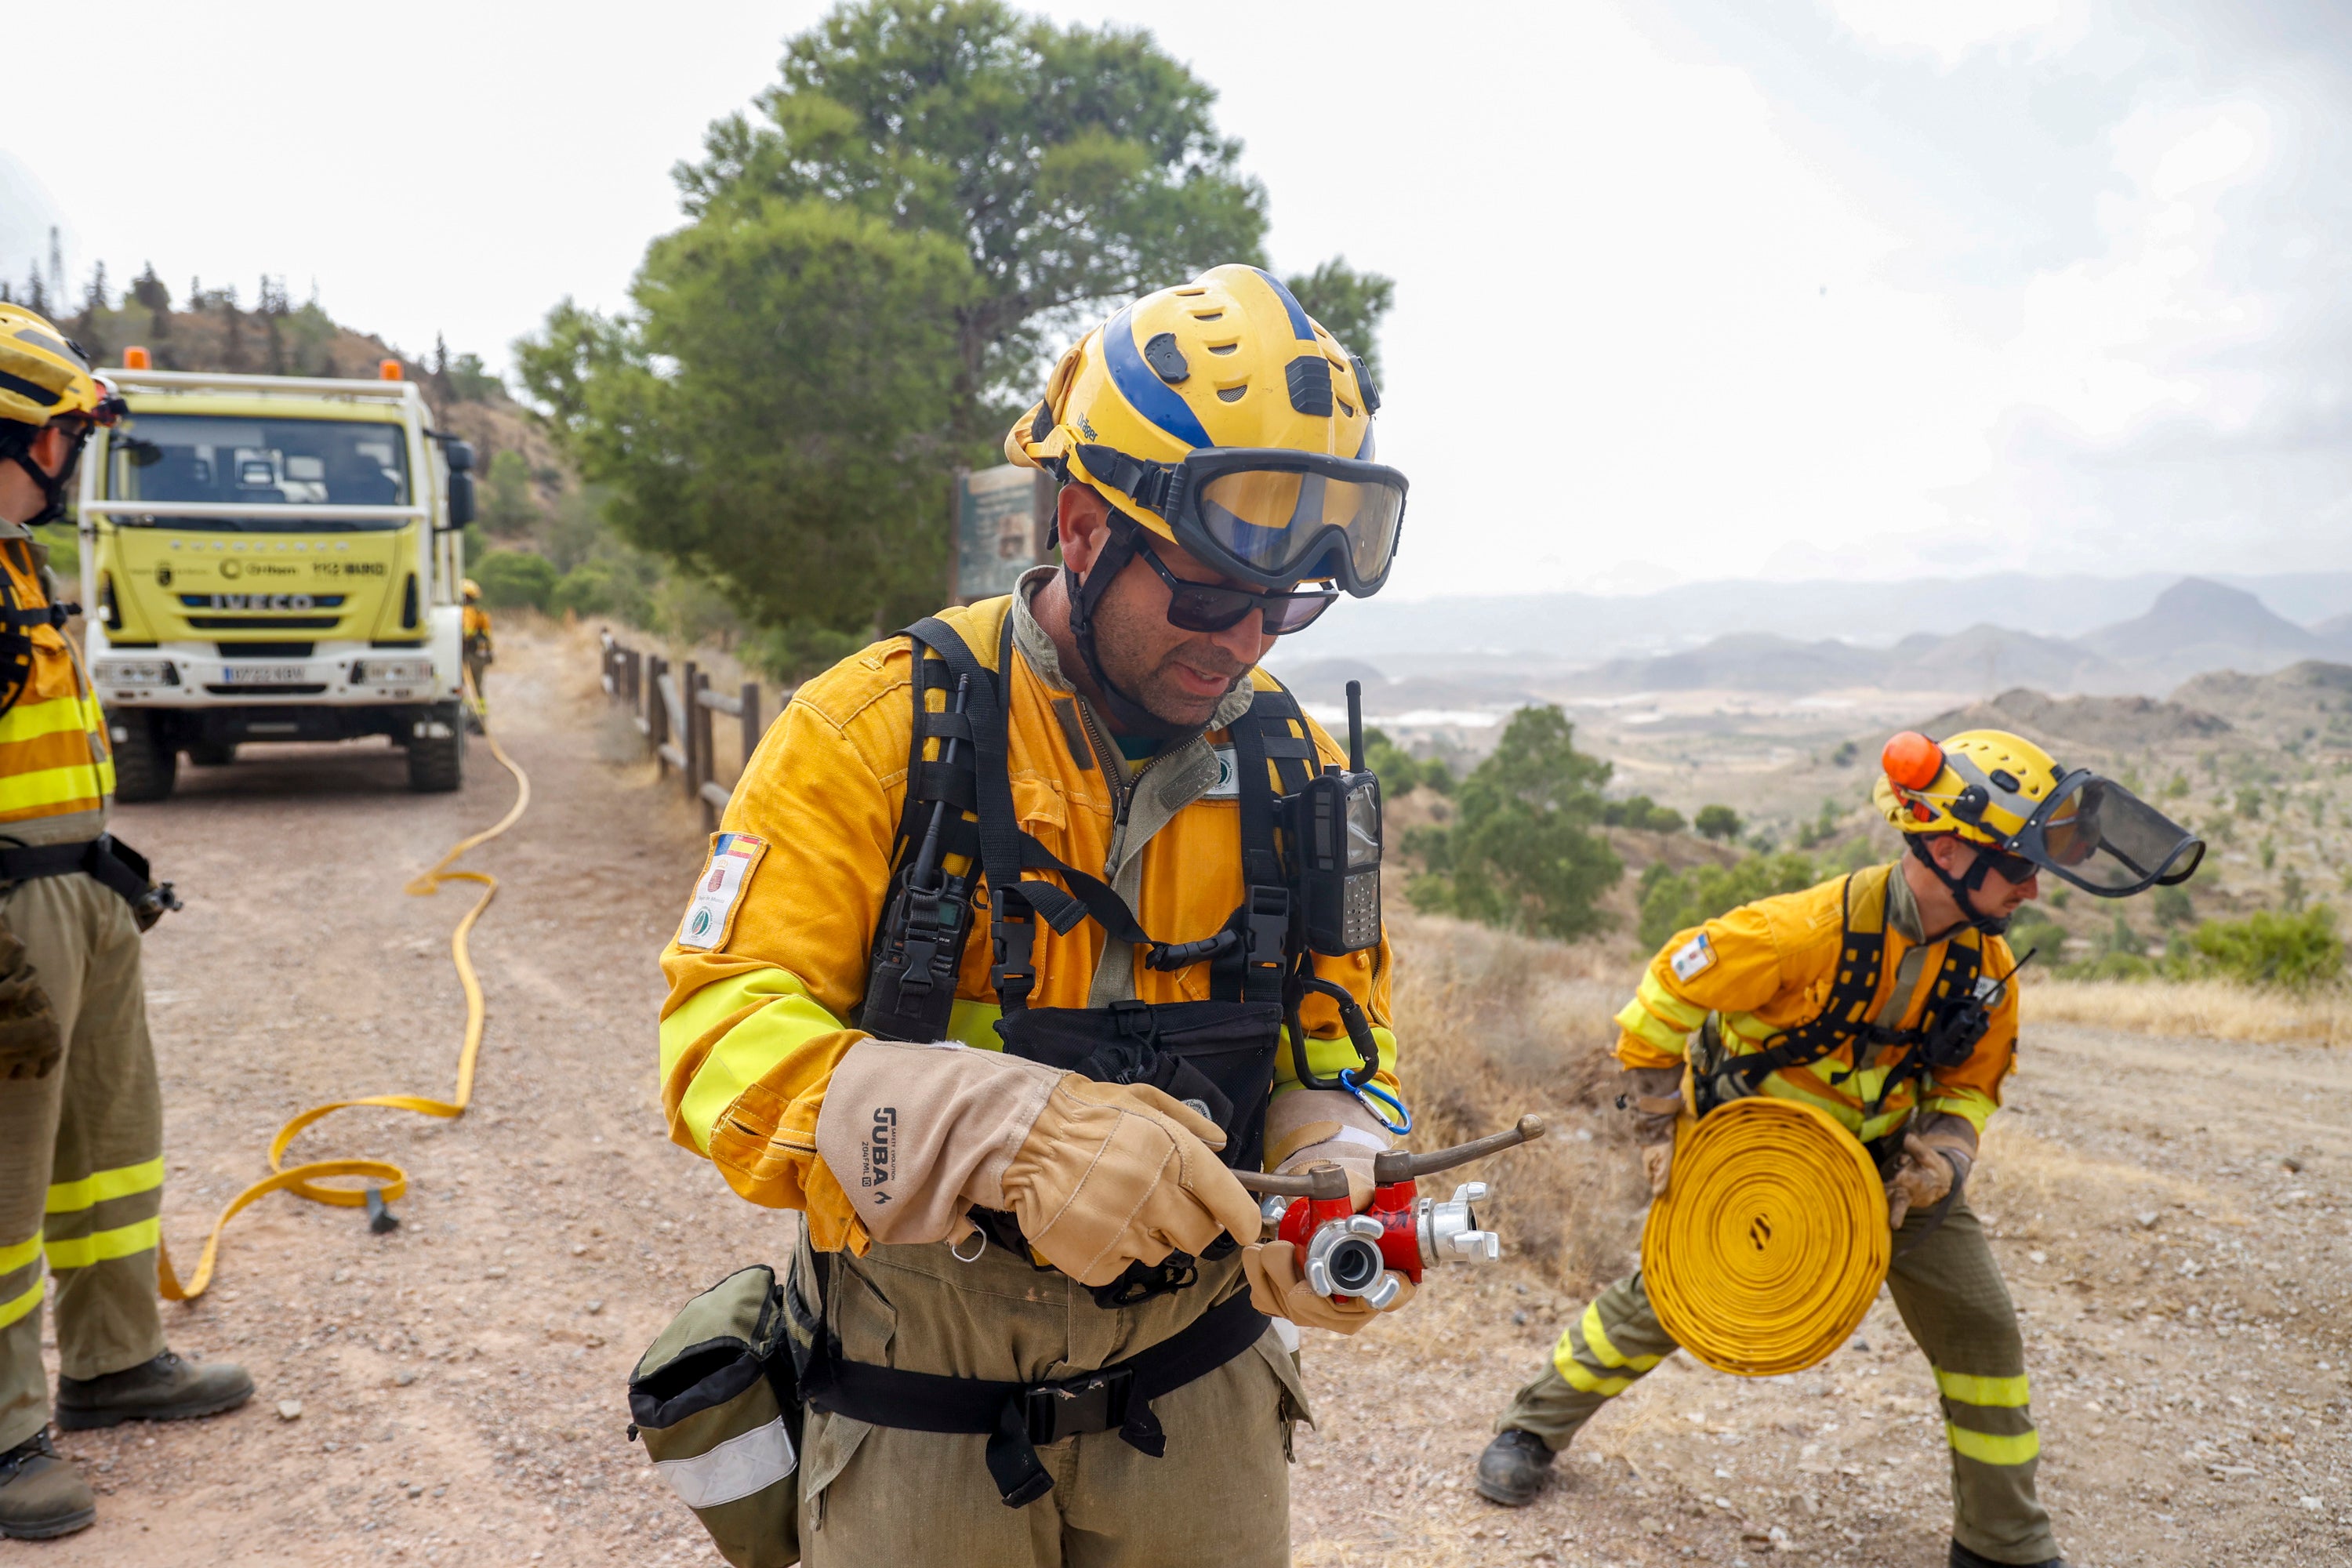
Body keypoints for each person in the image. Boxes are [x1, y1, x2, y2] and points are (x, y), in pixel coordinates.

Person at [658, 265, 1414, 1565]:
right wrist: (998, 1133)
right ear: (1079, 527)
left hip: (1201, 1391)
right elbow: (714, 1043)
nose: (1245, 644)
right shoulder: (873, 735)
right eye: (1208, 594)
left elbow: (1343, 1046)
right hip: (917, 1396)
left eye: (1286, 606)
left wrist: (1337, 1153)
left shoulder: (1300, 773)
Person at [1472, 728, 2201, 1568]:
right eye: (2016, 864)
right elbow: (1665, 995)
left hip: (1892, 1174)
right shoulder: (1797, 933)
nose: (2033, 886)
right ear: (1946, 848)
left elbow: (1969, 1089)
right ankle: (1529, 1430)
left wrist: (1943, 1166)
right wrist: (1654, 1122)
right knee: (1670, 1299)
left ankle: (2003, 1543)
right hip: (1759, 1163)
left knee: (1982, 1330)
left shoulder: (1986, 970)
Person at [0, 307, 252, 1541]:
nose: (69, 461)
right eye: (60, 435)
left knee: (107, 1143)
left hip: (81, 895)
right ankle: (4, 1436)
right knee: (4, 1174)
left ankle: (111, 1361)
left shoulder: (15, 562)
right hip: (9, 917)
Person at [460, 578, 492, 729]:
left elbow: (467, 633)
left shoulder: (467, 612)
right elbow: (488, 637)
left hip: (468, 657)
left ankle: (470, 719)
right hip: (480, 657)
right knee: (477, 689)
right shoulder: (481, 613)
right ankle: (481, 722)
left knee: (461, 688)